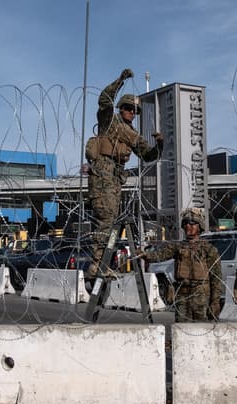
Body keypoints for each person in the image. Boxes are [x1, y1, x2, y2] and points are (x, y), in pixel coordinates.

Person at [86, 68, 163, 277]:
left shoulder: (132, 134)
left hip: (115, 179)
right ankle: (96, 264)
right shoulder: (109, 120)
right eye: (128, 108)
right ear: (121, 108)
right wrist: (120, 80)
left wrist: (160, 146)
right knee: (106, 218)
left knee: (111, 221)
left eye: (134, 111)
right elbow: (104, 99)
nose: (131, 112)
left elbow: (148, 155)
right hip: (102, 175)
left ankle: (103, 263)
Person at [140, 208, 222, 322]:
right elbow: (161, 254)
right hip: (182, 296)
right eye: (186, 223)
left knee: (202, 329)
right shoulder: (178, 247)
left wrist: (215, 301)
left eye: (193, 223)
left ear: (200, 227)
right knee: (181, 328)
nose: (189, 226)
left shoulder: (208, 249)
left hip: (201, 296)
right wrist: (145, 255)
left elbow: (216, 278)